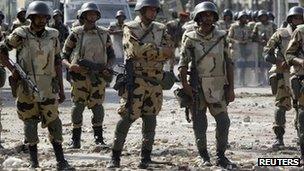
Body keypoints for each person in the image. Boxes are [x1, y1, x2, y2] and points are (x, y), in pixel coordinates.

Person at [0, 1, 73, 170]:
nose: (42, 20)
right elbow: (2, 50)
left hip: (48, 87)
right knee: (30, 124)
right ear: (31, 18)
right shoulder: (20, 34)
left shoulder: (53, 35)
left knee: (55, 123)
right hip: (26, 87)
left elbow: (57, 62)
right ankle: (34, 162)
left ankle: (61, 161)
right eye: (38, 17)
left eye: (44, 17)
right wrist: (13, 70)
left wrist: (61, 90)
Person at [107, 0, 173, 168]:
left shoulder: (161, 28)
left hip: (155, 82)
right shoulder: (130, 27)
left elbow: (170, 51)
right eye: (149, 10)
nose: (153, 13)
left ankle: (146, 158)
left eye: (155, 10)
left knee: (151, 120)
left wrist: (148, 50)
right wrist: (158, 51)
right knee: (127, 118)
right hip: (136, 81)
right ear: (141, 11)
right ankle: (115, 157)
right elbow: (134, 50)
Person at [178, 1, 236, 169]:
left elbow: (229, 63)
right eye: (204, 15)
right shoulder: (190, 37)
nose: (207, 18)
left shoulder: (222, 36)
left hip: (218, 85)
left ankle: (221, 155)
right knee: (200, 123)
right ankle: (203, 155)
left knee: (224, 121)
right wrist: (185, 86)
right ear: (198, 17)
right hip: (197, 86)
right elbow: (182, 64)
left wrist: (231, 88)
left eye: (210, 15)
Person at [62, 2, 115, 149]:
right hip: (80, 77)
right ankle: (75, 139)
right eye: (89, 14)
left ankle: (98, 138)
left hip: (98, 77)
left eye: (94, 14)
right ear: (84, 16)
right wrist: (70, 66)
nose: (91, 16)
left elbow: (112, 56)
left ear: (97, 16)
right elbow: (63, 55)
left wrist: (108, 67)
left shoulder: (104, 34)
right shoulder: (76, 33)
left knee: (97, 107)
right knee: (78, 107)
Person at [264, 6, 303, 149]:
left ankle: (301, 138)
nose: (298, 20)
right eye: (296, 18)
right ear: (290, 19)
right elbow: (267, 53)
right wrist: (278, 61)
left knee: (300, 108)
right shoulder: (280, 34)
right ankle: (279, 137)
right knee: (281, 106)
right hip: (283, 74)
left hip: (300, 74)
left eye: (301, 18)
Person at [285, 6, 304, 165]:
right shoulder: (300, 32)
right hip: (301, 76)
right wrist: (300, 61)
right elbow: (289, 54)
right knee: (302, 114)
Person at [252, 10, 277, 86]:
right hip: (260, 48)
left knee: (270, 63)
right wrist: (260, 40)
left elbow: (277, 34)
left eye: (264, 16)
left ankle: (270, 79)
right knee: (261, 64)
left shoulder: (272, 24)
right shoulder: (257, 25)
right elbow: (253, 36)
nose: (263, 18)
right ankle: (262, 80)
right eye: (261, 17)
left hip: (271, 47)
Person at [228, 11, 251, 87]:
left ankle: (243, 81)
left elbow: (250, 38)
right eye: (243, 17)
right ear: (239, 18)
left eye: (245, 18)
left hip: (245, 49)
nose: (245, 19)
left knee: (243, 66)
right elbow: (229, 38)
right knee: (235, 66)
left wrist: (246, 41)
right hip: (236, 49)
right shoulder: (234, 27)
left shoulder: (247, 28)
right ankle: (234, 82)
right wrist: (237, 42)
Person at [166, 11, 189, 77]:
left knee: (176, 58)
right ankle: (169, 73)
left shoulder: (182, 24)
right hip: (171, 43)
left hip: (176, 43)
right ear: (181, 17)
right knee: (170, 59)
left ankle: (172, 73)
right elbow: (167, 30)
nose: (185, 20)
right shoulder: (173, 23)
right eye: (184, 18)